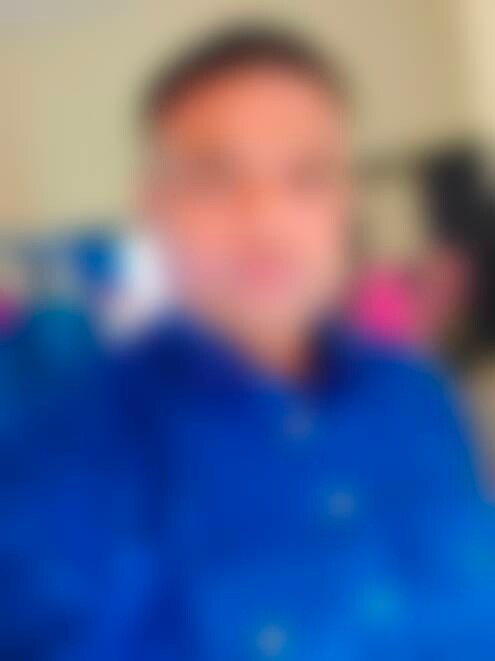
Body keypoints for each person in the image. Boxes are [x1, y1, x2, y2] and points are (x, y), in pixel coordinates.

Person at [2, 27, 495, 661]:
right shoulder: (64, 452)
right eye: (215, 175)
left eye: (306, 174)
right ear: (155, 205)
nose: (265, 216)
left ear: (345, 203)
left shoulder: (419, 396)